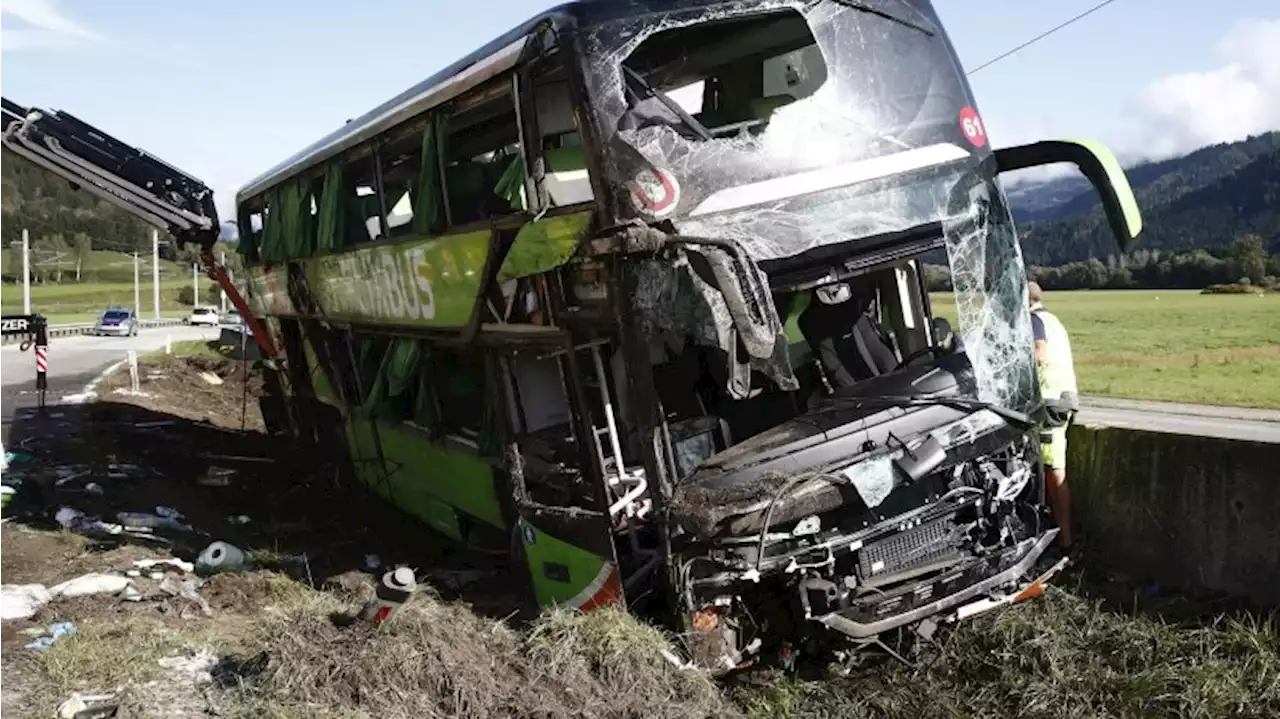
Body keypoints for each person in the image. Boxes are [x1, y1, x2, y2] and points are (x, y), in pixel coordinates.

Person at [1028, 281, 1079, 550]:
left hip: (1048, 403)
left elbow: (1039, 353)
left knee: (1053, 471)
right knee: (1048, 469)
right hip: (1062, 399)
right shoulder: (1053, 320)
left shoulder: (1033, 320)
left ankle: (1065, 542)